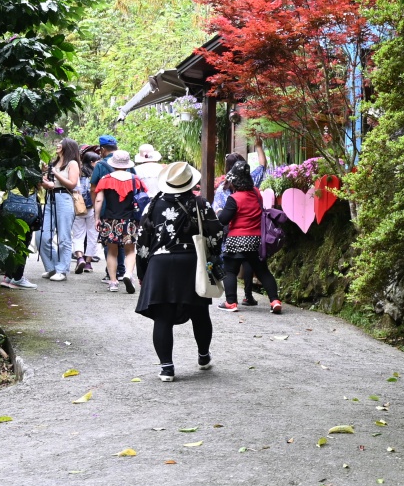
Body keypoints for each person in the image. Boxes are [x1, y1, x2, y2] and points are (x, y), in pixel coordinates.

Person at [136, 161, 224, 381]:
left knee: (162, 317)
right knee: (200, 313)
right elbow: (216, 234)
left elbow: (142, 241)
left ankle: (167, 368)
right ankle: (203, 356)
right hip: (191, 263)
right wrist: (212, 258)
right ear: (189, 183)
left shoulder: (152, 205)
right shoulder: (200, 204)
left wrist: (142, 271)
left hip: (160, 265)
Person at [216, 161, 283, 314]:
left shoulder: (235, 198)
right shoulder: (256, 192)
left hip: (237, 239)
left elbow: (224, 220)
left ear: (235, 180)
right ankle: (275, 300)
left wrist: (220, 213)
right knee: (262, 271)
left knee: (230, 270)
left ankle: (231, 302)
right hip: (256, 240)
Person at [94, 150, 146, 293]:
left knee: (112, 251)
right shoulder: (135, 179)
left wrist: (97, 218)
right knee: (130, 250)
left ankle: (112, 282)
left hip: (110, 219)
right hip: (130, 220)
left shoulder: (105, 178)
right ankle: (128, 274)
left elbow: (99, 199)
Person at [37, 138, 82, 281]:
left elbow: (72, 184)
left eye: (60, 143)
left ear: (67, 147)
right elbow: (47, 184)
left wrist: (55, 173)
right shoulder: (54, 163)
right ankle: (52, 268)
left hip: (65, 199)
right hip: (50, 199)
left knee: (64, 237)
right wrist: (43, 175)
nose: (57, 145)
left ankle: (62, 270)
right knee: (41, 236)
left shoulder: (72, 163)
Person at [74, 135, 118, 273]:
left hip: (79, 207)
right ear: (92, 161)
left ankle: (79, 257)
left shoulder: (79, 173)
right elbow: (96, 190)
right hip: (93, 207)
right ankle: (87, 263)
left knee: (78, 234)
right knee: (93, 235)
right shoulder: (96, 172)